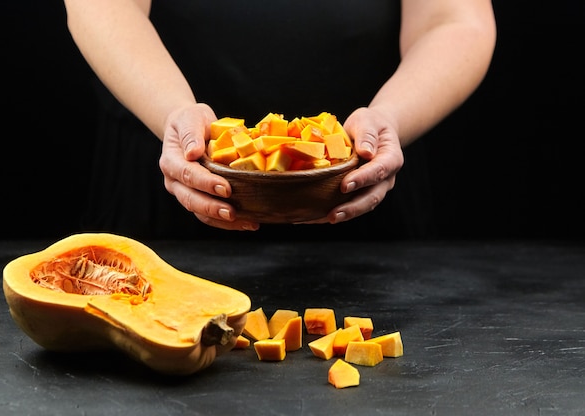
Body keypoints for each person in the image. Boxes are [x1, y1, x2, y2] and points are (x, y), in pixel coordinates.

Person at [63, 0, 496, 241]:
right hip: (167, 183)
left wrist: (390, 117)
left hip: (361, 183)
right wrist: (173, 113)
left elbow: (455, 19)